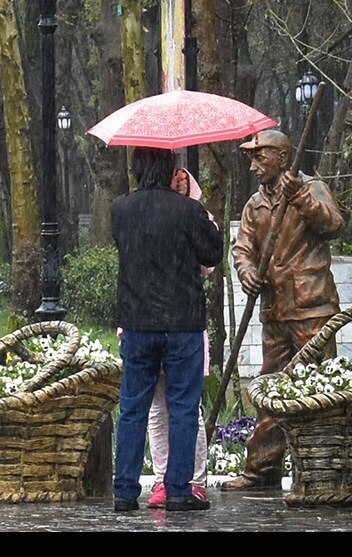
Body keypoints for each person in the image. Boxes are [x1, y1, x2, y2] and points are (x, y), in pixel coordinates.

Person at [221, 129, 345, 491]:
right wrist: (246, 272)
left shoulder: (311, 188)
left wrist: (302, 198)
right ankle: (262, 469)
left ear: (283, 158)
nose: (254, 165)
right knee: (270, 388)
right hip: (275, 310)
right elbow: (242, 247)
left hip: (311, 306)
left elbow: (334, 224)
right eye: (251, 159)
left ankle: (324, 468)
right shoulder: (254, 204)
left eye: (261, 157)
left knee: (319, 389)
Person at [111, 147, 222, 512]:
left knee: (132, 409)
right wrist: (188, 201)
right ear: (172, 170)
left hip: (138, 323)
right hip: (182, 324)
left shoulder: (121, 210)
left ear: (137, 169)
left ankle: (125, 491)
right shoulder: (187, 211)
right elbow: (212, 253)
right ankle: (177, 489)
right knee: (183, 408)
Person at [145, 168, 213, 508]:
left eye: (184, 179)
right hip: (147, 322)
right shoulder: (143, 212)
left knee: (188, 409)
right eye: (173, 178)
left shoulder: (197, 215)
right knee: (158, 409)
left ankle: (192, 480)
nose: (179, 182)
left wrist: (192, 209)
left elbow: (208, 264)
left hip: (185, 324)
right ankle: (161, 480)